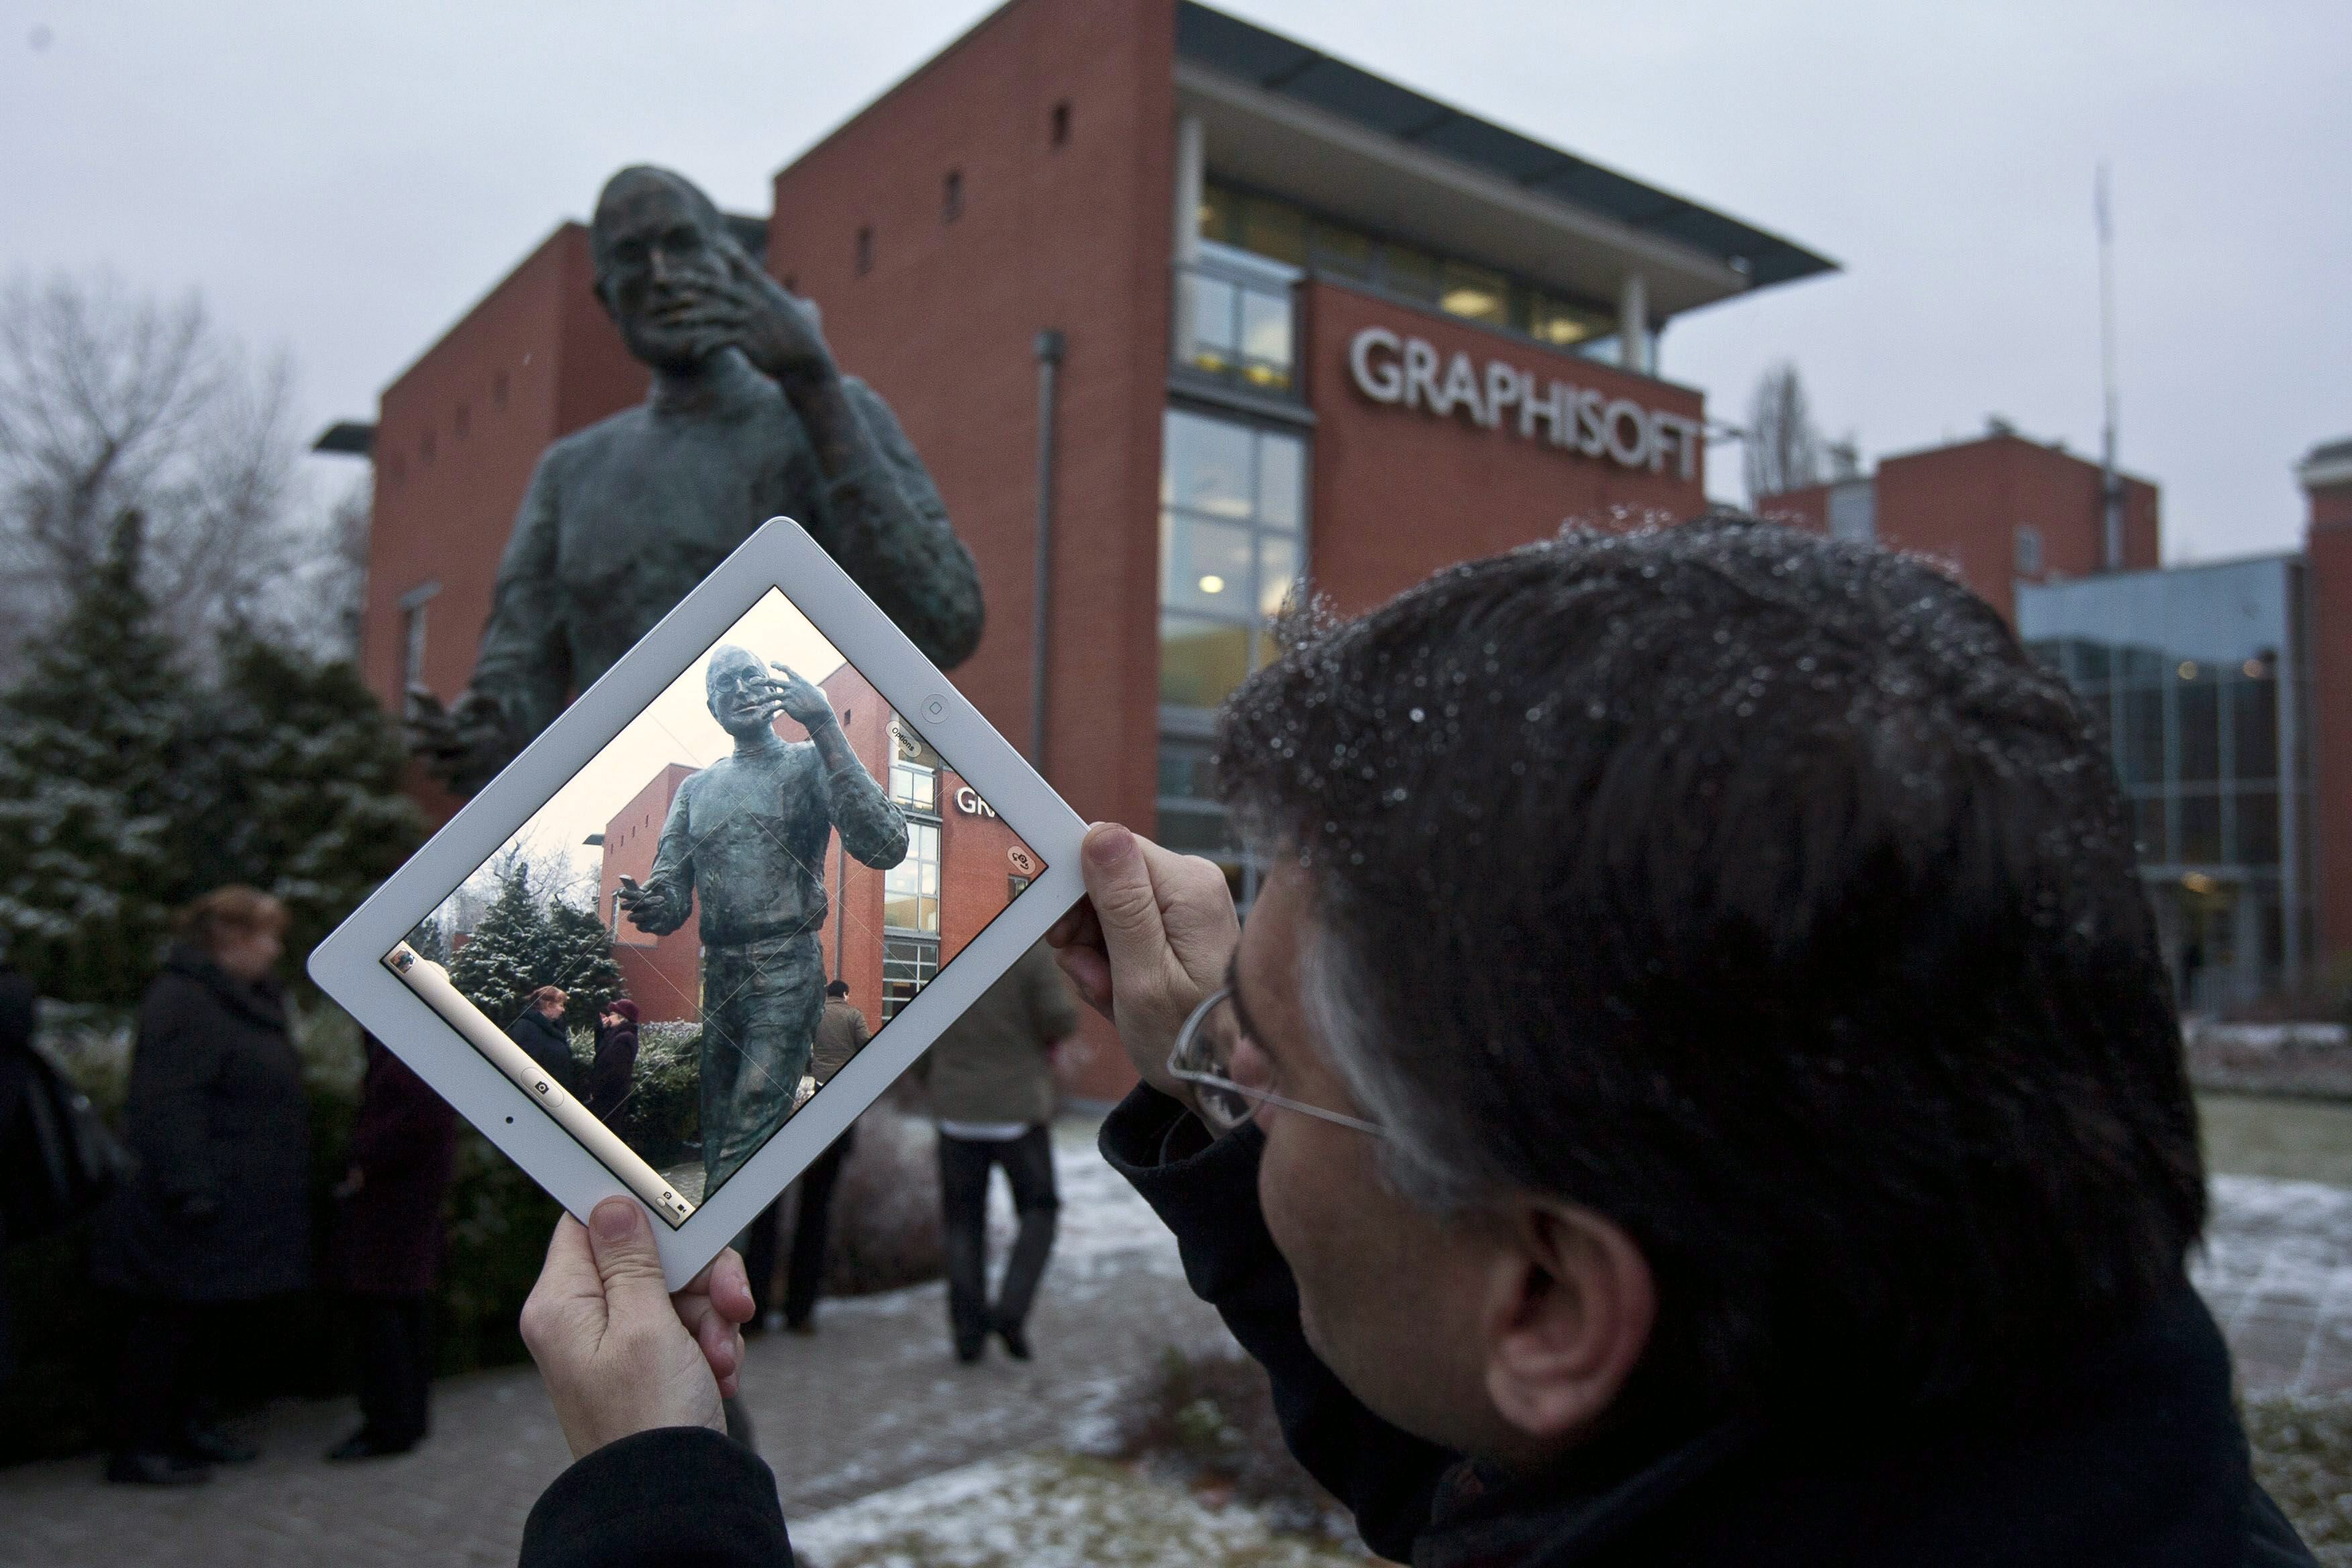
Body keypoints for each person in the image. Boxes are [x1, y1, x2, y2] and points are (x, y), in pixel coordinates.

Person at [510, 522, 2316, 1565]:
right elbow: (1532, 1477)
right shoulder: (2034, 1418)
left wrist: (654, 1501)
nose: (1223, 1080)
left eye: (1262, 1061)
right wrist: (1226, 1084)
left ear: (1544, 1299)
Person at [405, 164, 983, 796]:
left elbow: (943, 624)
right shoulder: (571, 475)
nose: (660, 275)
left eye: (681, 244)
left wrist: (813, 388)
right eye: (631, 259)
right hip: (639, 812)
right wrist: (471, 738)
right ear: (607, 301)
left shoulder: (829, 412)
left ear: (729, 260)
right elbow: (517, 698)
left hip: (811, 803)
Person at [616, 648, 907, 1193]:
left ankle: (715, 1240)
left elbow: (886, 846)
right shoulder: (694, 791)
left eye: (752, 676)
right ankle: (741, 1241)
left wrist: (823, 723)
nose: (743, 690)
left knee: (751, 1116)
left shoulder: (808, 762)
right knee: (722, 1122)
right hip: (721, 975)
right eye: (726, 685)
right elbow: (671, 896)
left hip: (787, 969)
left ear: (774, 689)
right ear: (712, 708)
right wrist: (653, 905)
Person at [93, 887, 309, 1486]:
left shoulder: (242, 1000)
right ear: (230, 940)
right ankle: (142, 1446)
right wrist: (192, 1187)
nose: (275, 949)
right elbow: (166, 1102)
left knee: (204, 1328)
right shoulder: (183, 1001)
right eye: (265, 935)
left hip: (232, 1197)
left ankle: (187, 1429)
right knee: (164, 1328)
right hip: (185, 1204)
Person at [920, 943, 1077, 1363]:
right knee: (1039, 1209)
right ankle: (1011, 1310)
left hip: (956, 1110)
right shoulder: (1026, 949)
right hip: (1017, 1110)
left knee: (962, 1222)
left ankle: (968, 1337)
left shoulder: (943, 948)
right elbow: (1058, 1017)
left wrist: (936, 1081)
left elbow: (913, 1027)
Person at [323, 1032, 460, 1459]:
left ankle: (390, 1425)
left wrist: (361, 1159)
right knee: (402, 1307)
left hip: (392, 1204)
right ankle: (403, 1421)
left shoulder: (405, 1049)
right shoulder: (420, 1045)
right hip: (405, 1204)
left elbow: (407, 1120)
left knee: (384, 1311)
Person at [775, 979, 870, 1335]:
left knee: (767, 1212)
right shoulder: (854, 1017)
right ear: (846, 995)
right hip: (835, 1114)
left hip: (799, 1105)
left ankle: (754, 1312)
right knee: (816, 1213)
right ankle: (800, 1313)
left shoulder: (809, 1015)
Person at [507, 986, 581, 1097]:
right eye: (560, 1005)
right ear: (549, 1005)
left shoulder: (550, 1027)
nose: (563, 1010)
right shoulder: (527, 1028)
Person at [586, 999, 641, 1124]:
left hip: (609, 1099)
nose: (609, 1018)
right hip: (607, 1097)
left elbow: (615, 1072)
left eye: (612, 1015)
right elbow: (601, 1052)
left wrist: (597, 1092)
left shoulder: (624, 1039)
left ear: (621, 1018)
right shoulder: (617, 1035)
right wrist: (601, 1030)